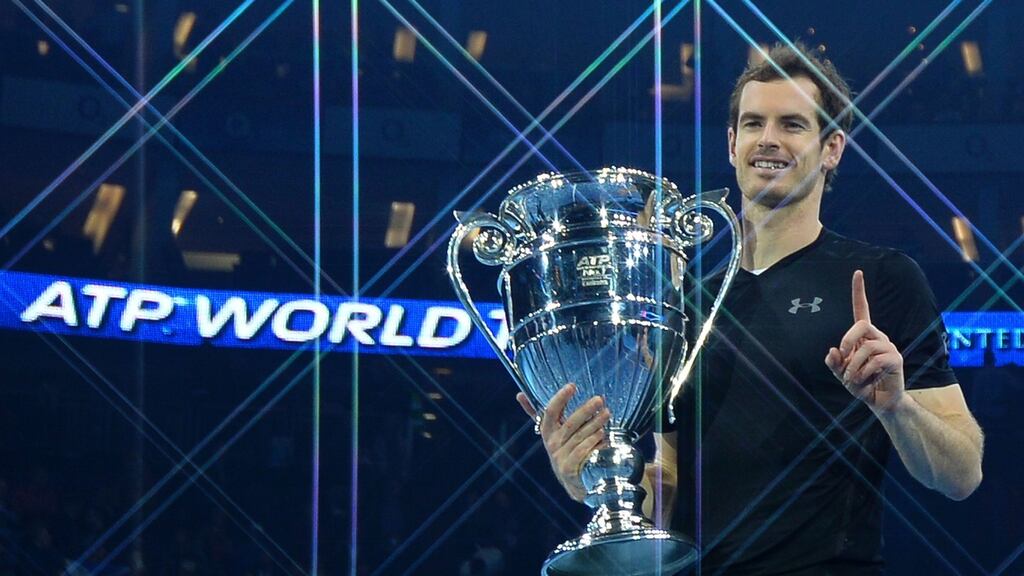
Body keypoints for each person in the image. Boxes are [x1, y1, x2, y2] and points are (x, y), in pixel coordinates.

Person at [517, 43, 984, 575]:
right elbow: (668, 485)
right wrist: (592, 479)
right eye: (754, 123)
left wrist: (896, 407)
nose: (769, 139)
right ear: (732, 143)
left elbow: (962, 473)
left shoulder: (883, 279)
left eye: (792, 125)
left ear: (832, 148)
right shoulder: (683, 304)